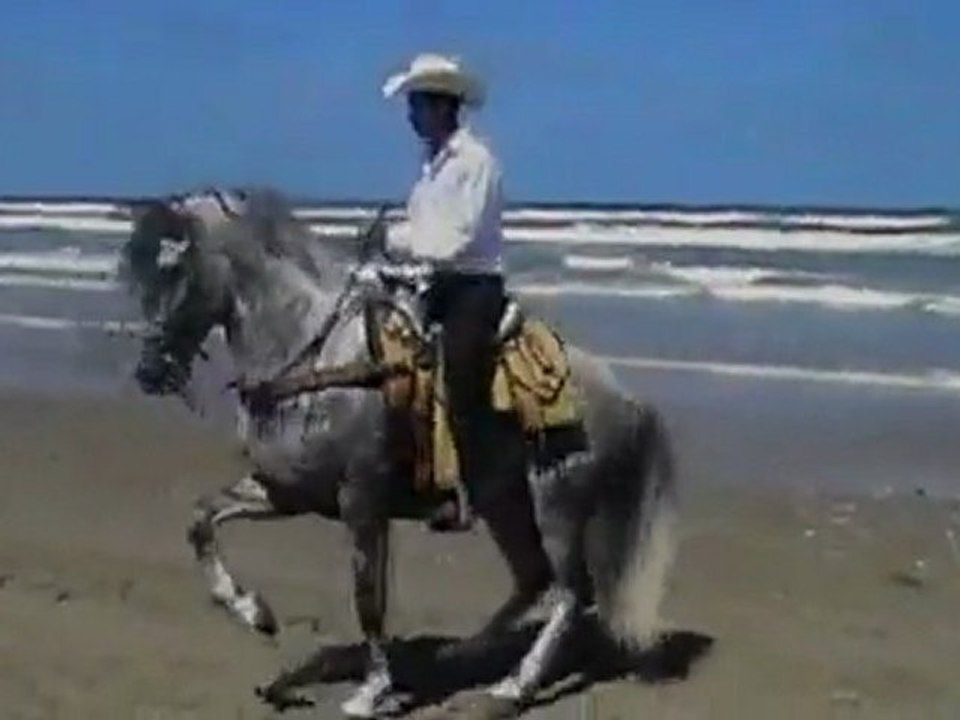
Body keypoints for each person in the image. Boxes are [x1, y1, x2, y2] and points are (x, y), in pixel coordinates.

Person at [381, 53, 506, 530]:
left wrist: (395, 243)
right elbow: (424, 231)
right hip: (434, 284)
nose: (411, 115)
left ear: (440, 106)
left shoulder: (475, 162)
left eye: (416, 105)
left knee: (458, 378)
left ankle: (470, 489)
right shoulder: (432, 165)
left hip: (473, 287)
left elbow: (458, 239)